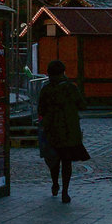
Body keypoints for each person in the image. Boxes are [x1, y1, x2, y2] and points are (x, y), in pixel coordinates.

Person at [37, 59, 90, 204]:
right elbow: (82, 105)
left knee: (54, 160)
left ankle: (55, 183)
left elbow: (40, 109)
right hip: (69, 130)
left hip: (52, 130)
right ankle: (65, 192)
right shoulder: (70, 88)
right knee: (66, 162)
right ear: (63, 72)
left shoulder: (46, 90)